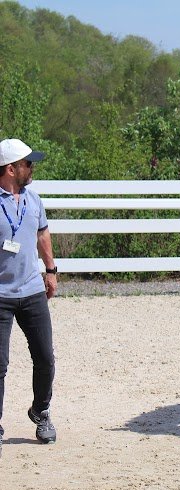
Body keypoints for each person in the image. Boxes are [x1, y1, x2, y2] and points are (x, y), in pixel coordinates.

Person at [0, 138, 58, 457]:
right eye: (28, 164)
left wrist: (51, 270)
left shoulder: (34, 200)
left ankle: (41, 410)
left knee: (46, 358)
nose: (32, 168)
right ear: (12, 169)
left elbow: (42, 234)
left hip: (32, 290)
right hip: (0, 296)